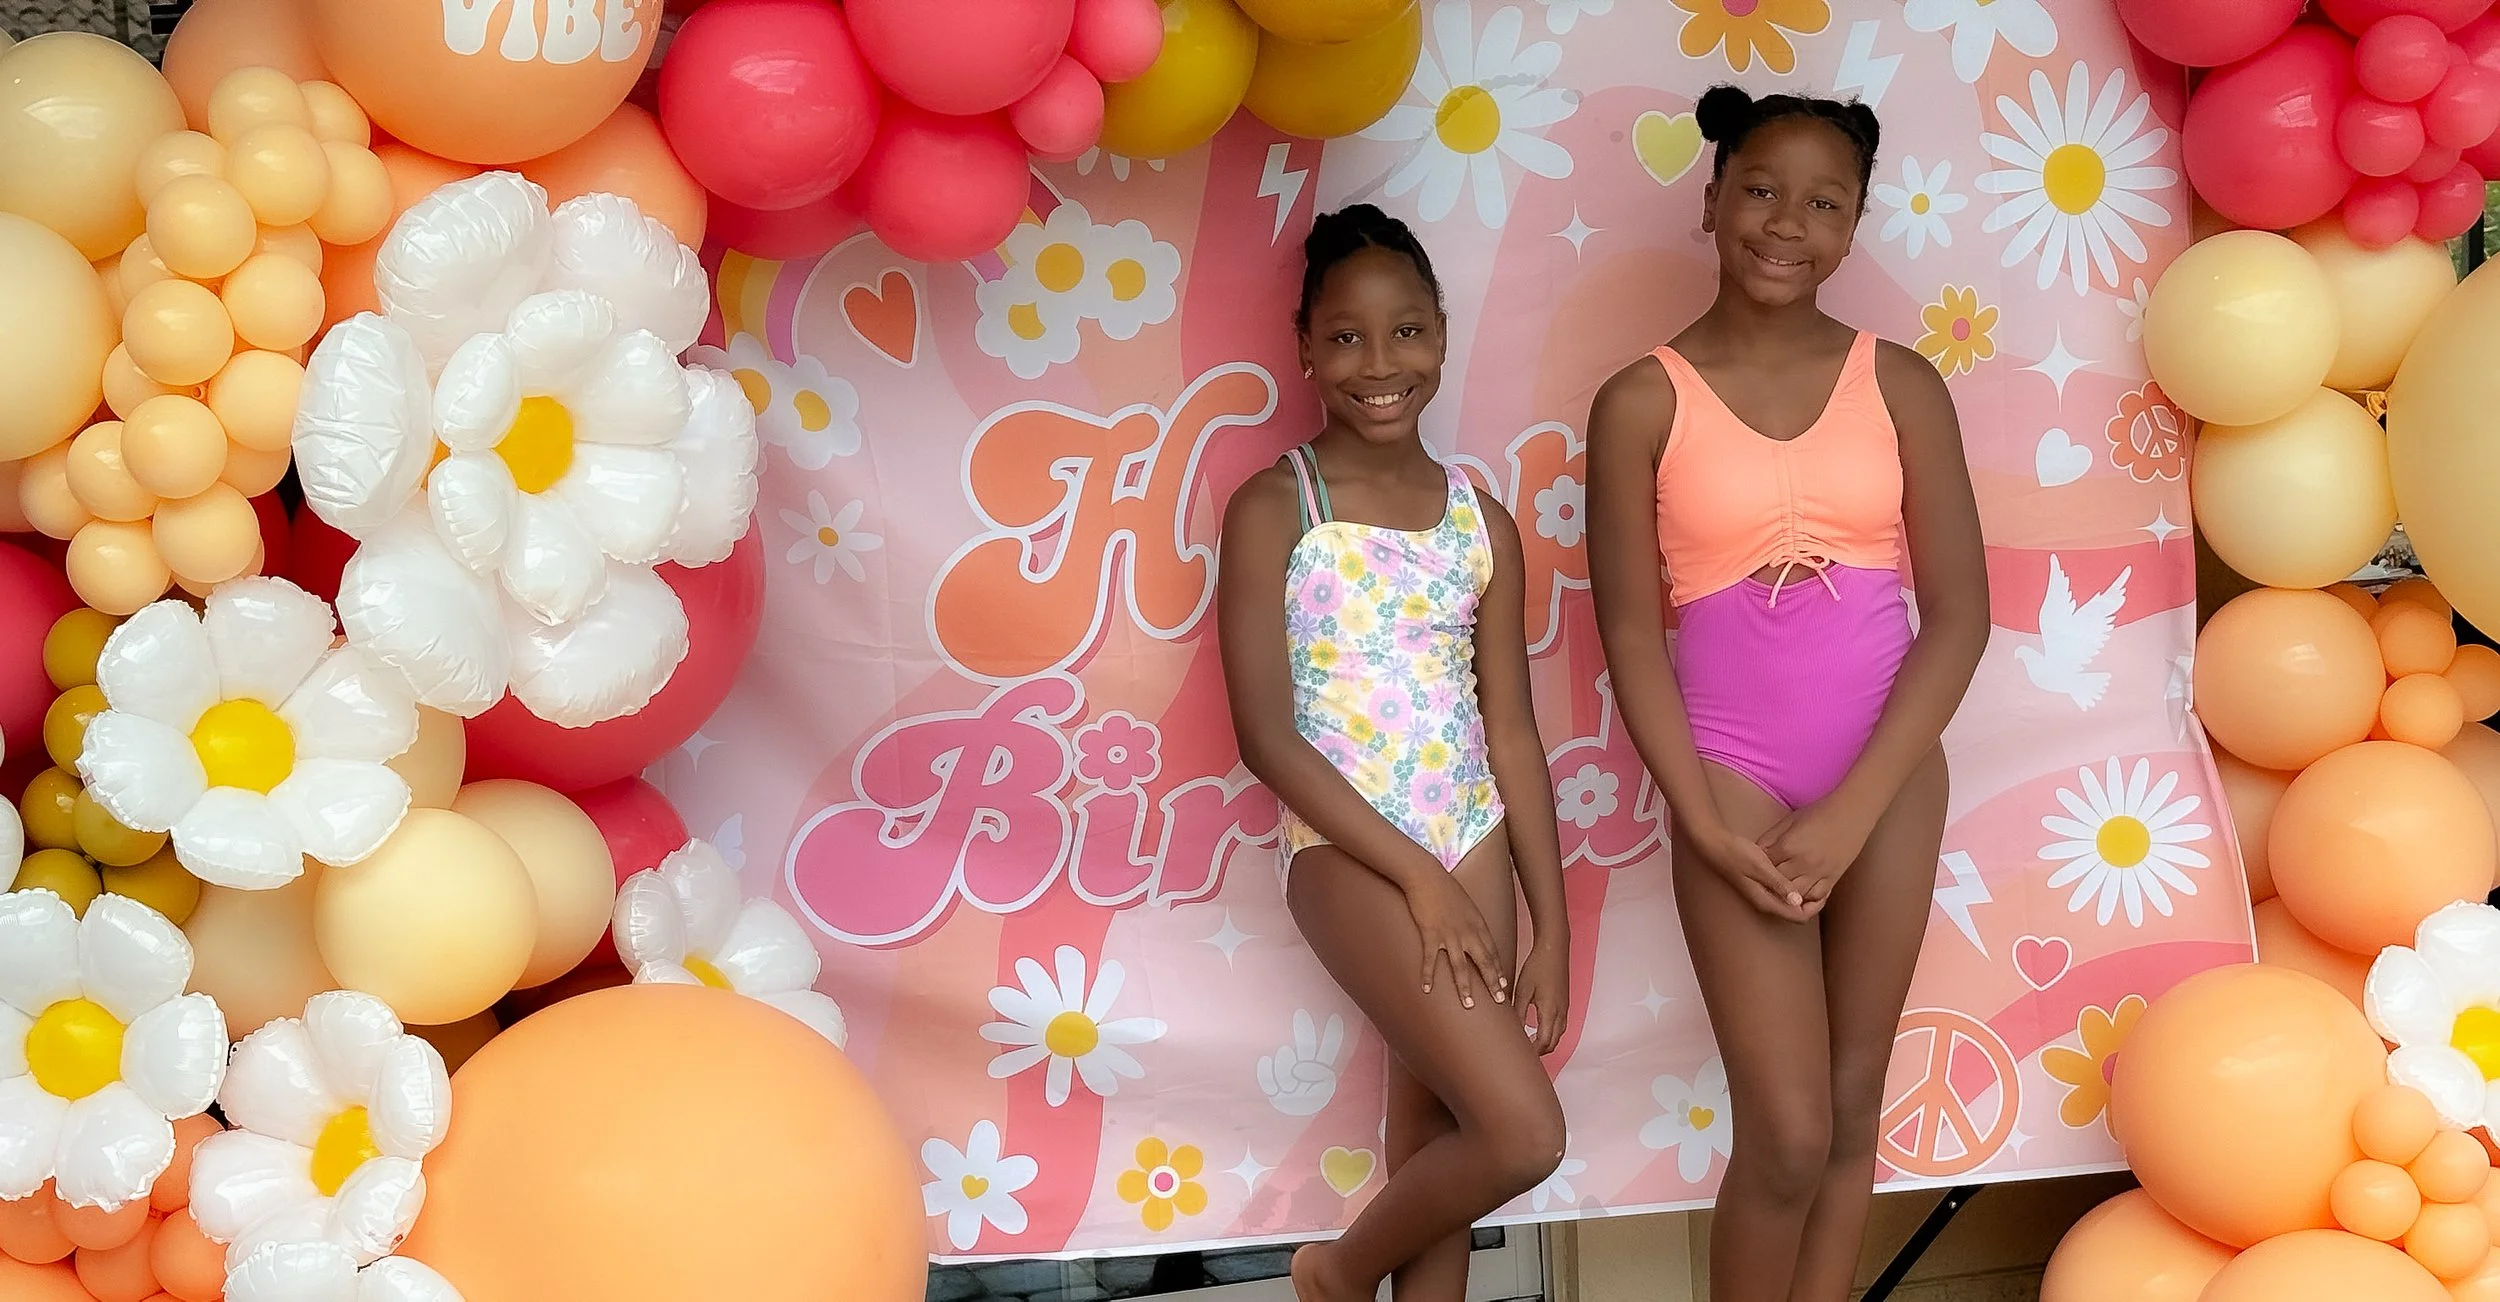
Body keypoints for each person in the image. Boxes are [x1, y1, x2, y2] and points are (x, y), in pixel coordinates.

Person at [1584, 86, 1990, 1301]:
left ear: (1854, 225)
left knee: (1853, 1107)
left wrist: (1854, 811)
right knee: (1787, 1134)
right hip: (1730, 779)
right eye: (1760, 190)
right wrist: (1703, 824)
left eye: (1824, 204)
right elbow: (1628, 634)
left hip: (1887, 777)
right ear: (1711, 199)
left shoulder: (1899, 382)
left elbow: (1959, 617)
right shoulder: (1639, 400)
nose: (1785, 223)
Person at [1217, 204, 1571, 1302]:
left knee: (1440, 1144)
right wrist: (1420, 879)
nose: (1380, 364)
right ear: (1305, 348)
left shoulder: (1481, 523)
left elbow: (1512, 732)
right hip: (1349, 848)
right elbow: (1265, 735)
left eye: (1407, 331)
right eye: (1347, 337)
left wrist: (1551, 927)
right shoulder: (1277, 507)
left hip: (1473, 836)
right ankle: (1335, 1272)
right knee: (1522, 1134)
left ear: (1442, 335)